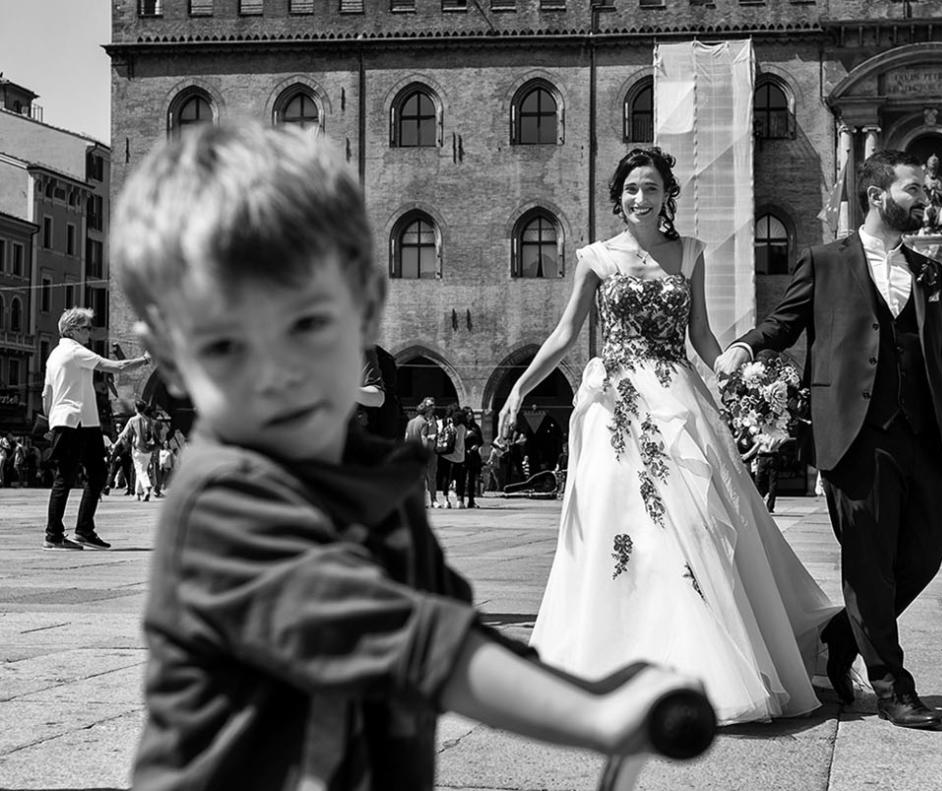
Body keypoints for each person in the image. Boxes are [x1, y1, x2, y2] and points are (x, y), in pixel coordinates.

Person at [113, 121, 698, 789]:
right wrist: (592, 709)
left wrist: (568, 677)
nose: (279, 374)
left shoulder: (377, 481)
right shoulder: (225, 502)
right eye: (226, 347)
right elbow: (410, 642)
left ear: (364, 307)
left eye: (307, 325)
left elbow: (452, 625)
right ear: (166, 353)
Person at [499, 146, 843, 725]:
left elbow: (702, 338)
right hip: (616, 405)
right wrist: (517, 390)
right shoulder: (595, 258)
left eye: (651, 188)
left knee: (697, 521)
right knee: (623, 525)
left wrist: (742, 374)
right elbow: (564, 334)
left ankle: (701, 668)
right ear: (618, 196)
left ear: (667, 195)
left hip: (680, 398)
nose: (641, 198)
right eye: (632, 188)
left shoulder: (689, 254)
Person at [715, 148, 942, 729]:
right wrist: (745, 346)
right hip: (855, 435)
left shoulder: (930, 273)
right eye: (915, 189)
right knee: (868, 563)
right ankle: (892, 686)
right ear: (878, 193)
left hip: (922, 435)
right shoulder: (825, 261)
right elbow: (784, 322)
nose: (927, 199)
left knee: (926, 553)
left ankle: (841, 637)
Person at [41, 307, 151, 550]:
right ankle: (59, 534)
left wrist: (52, 421)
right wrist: (144, 359)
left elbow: (45, 395)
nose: (89, 332)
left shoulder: (54, 355)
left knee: (82, 475)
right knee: (77, 476)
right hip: (77, 421)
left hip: (74, 421)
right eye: (86, 328)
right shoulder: (75, 351)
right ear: (72, 330)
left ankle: (78, 531)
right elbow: (116, 367)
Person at [113, 400, 161, 502]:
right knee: (142, 469)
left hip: (138, 449)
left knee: (140, 471)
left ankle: (146, 488)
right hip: (149, 449)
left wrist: (115, 444)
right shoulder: (150, 420)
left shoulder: (133, 420)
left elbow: (123, 434)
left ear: (136, 408)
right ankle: (137, 494)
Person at [404, 397, 441, 505]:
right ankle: (430, 500)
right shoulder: (424, 422)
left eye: (433, 405)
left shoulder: (411, 422)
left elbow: (406, 438)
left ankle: (424, 500)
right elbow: (423, 438)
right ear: (425, 407)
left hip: (415, 452)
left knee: (422, 477)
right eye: (430, 405)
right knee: (427, 477)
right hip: (425, 451)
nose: (433, 407)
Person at [457, 406, 484, 508]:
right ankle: (460, 500)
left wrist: (477, 445)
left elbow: (481, 440)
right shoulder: (460, 426)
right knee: (461, 478)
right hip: (462, 455)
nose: (470, 415)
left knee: (472, 479)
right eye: (467, 413)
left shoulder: (475, 427)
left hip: (473, 456)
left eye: (471, 413)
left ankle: (471, 501)